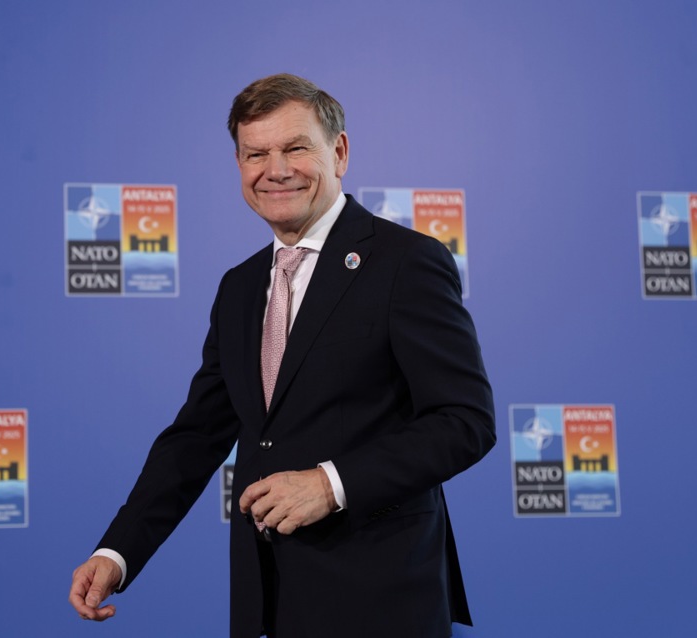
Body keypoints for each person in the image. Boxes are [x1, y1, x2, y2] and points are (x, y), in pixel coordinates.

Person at [69, 73, 496, 638]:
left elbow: (465, 421)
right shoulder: (240, 287)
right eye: (256, 154)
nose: (276, 170)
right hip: (266, 599)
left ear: (339, 153)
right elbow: (197, 435)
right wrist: (117, 552)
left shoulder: (406, 262)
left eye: (296, 148)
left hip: (381, 597)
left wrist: (330, 484)